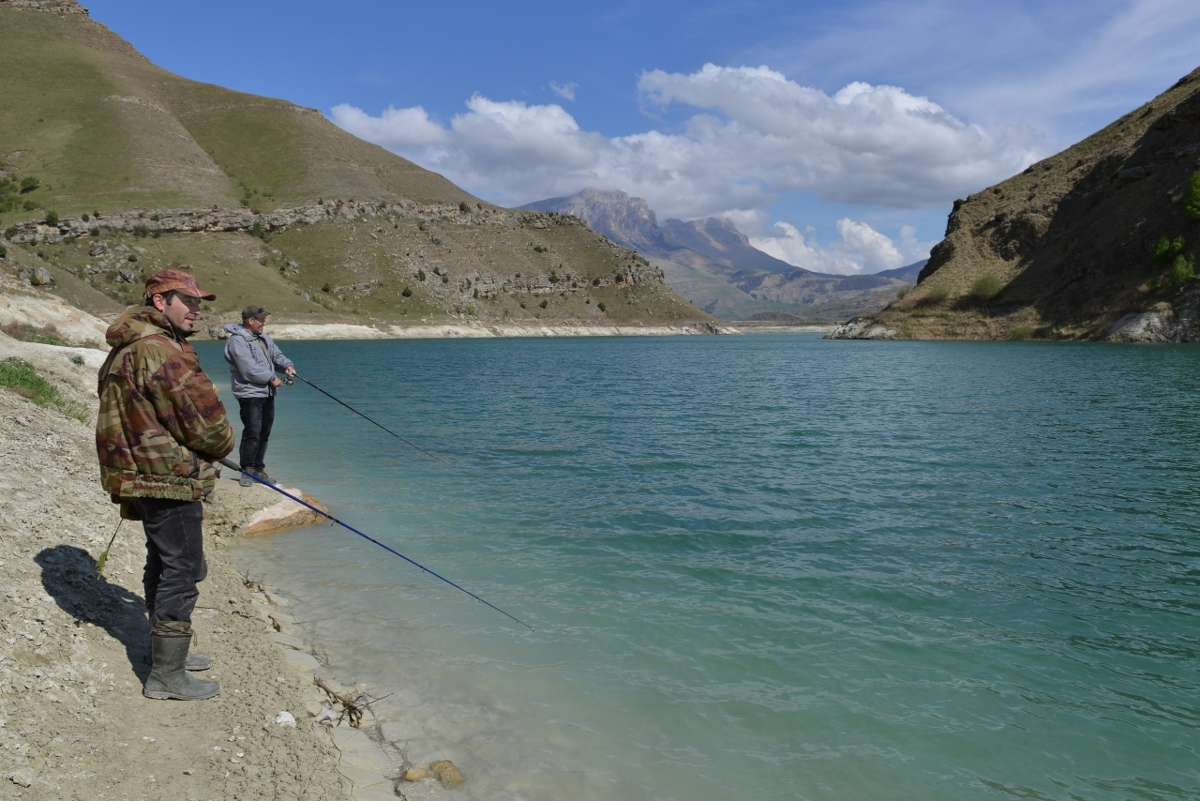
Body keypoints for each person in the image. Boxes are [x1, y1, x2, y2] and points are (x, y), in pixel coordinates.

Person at [96, 269, 235, 701]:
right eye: (188, 302)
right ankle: (167, 674)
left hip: (142, 471)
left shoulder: (132, 345)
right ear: (161, 302)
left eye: (199, 303)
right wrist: (221, 446)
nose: (197, 310)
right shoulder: (158, 351)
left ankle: (169, 653)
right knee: (184, 568)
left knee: (163, 559)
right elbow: (209, 426)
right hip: (165, 477)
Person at [223, 306, 296, 487]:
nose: (265, 323)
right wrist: (272, 378)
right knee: (252, 432)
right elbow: (248, 369)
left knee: (264, 433)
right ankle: (247, 470)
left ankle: (258, 469)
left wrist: (286, 366)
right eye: (261, 320)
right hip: (249, 394)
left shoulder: (264, 338)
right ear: (251, 320)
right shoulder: (237, 341)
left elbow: (276, 355)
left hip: (267, 393)